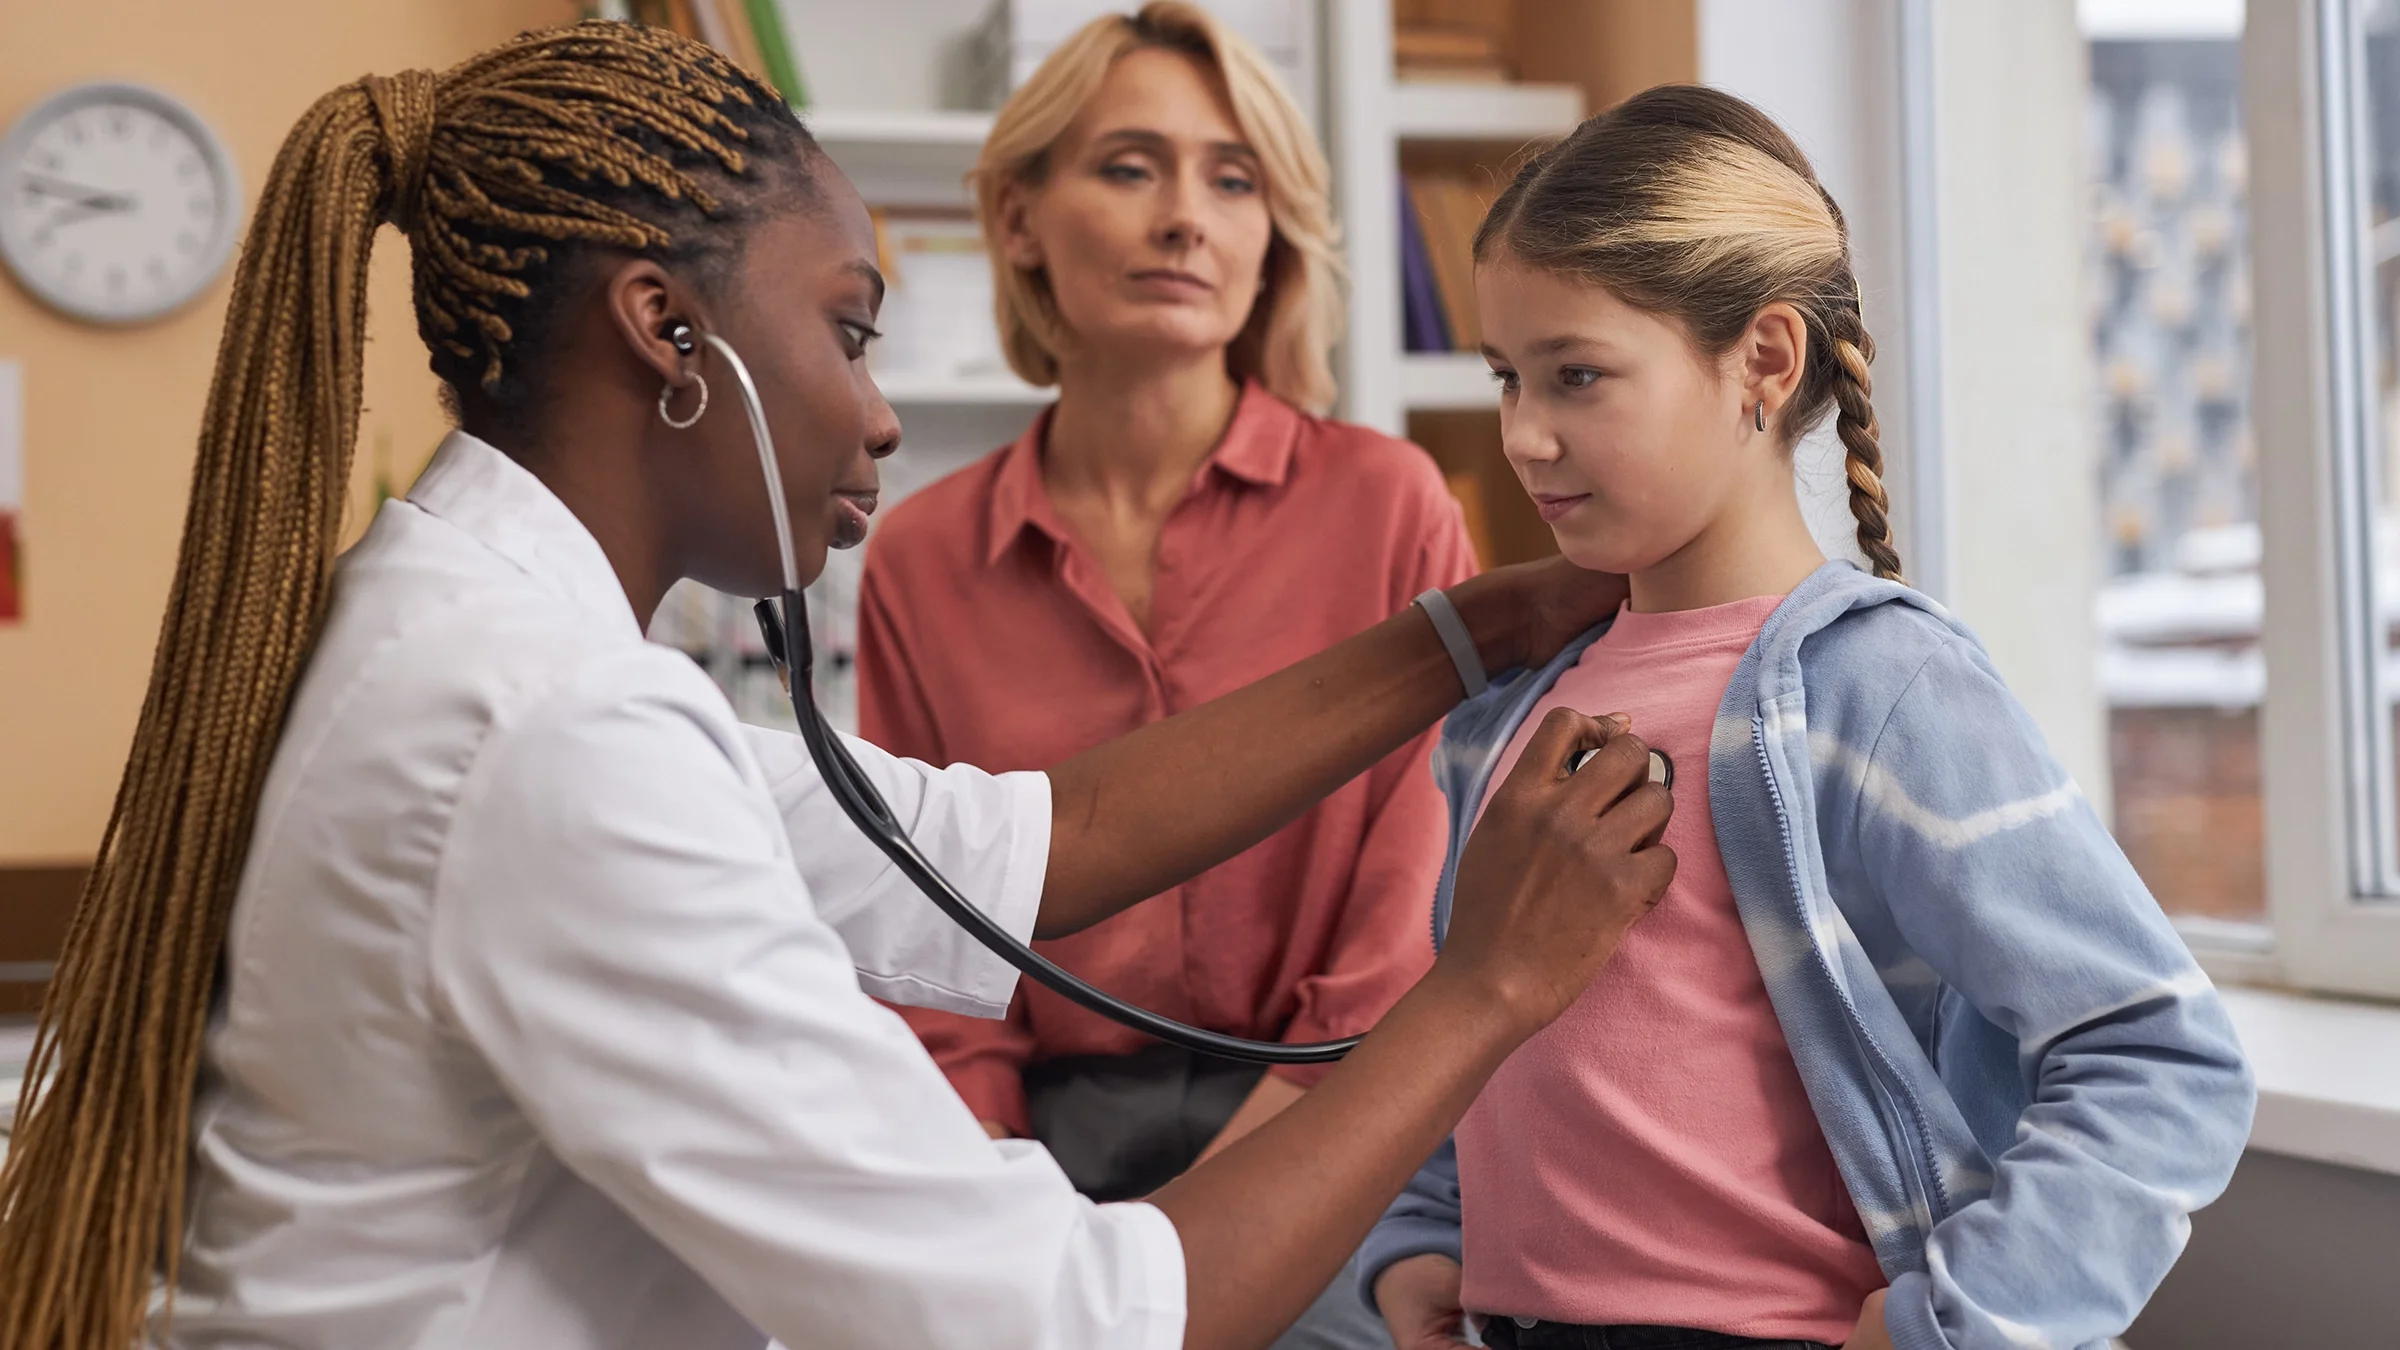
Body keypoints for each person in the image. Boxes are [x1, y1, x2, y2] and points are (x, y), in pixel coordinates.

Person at [0, 24, 1680, 1350]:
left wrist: (1461, 632)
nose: (877, 418)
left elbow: (1022, 837)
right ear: (671, 335)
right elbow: (1064, 1324)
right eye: (852, 331)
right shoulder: (551, 732)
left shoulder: (477, 626)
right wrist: (1484, 993)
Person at [1358, 87, 2256, 1350]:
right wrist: (1430, 1239)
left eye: (1576, 376)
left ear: (1766, 363)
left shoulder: (1880, 689)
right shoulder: (1508, 714)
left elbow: (2160, 1054)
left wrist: (1967, 1321)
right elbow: (1473, 1021)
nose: (1523, 435)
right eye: (1507, 378)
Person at [858, 11, 1470, 1344]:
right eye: (1131, 166)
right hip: (1037, 1153)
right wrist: (1003, 1208)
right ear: (1019, 218)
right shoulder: (920, 557)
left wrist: (1202, 1226)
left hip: (1337, 1123)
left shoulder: (1394, 510)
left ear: (1272, 239)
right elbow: (927, 954)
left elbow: (1392, 945)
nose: (1185, 217)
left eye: (1232, 177)